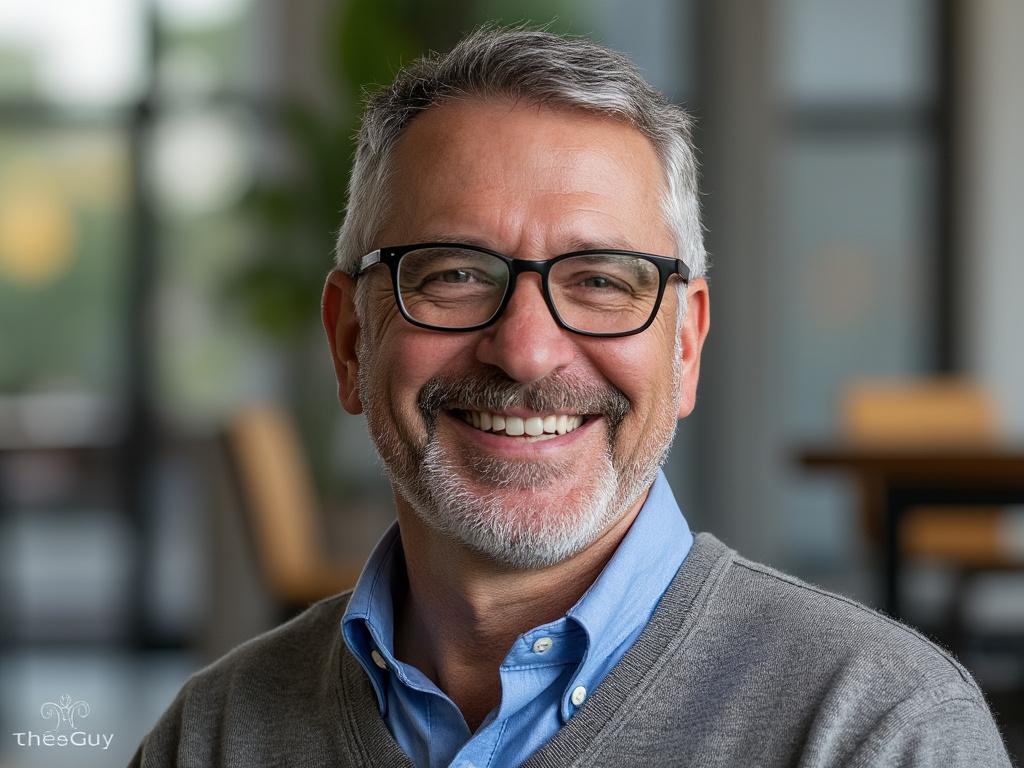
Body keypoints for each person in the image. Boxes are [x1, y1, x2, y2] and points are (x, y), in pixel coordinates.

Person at [130, 27, 1012, 768]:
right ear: (352, 342)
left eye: (600, 280)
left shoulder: (878, 733)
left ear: (685, 344)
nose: (525, 348)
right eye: (456, 274)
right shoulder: (213, 737)